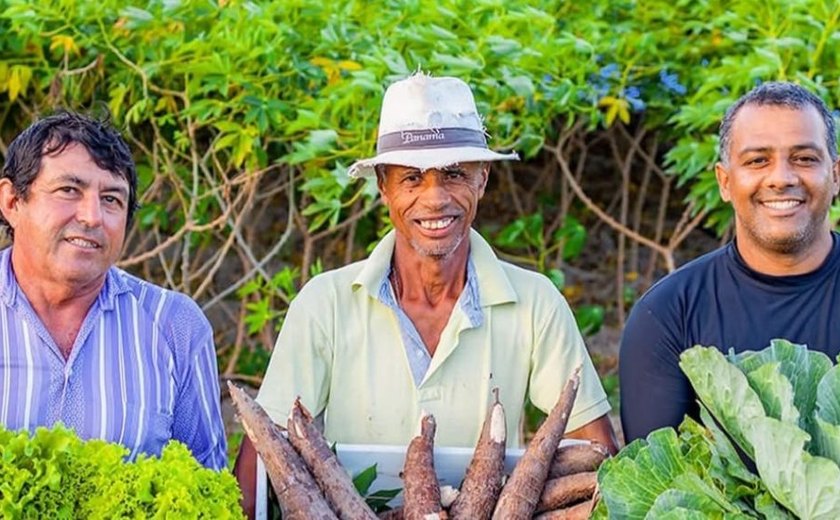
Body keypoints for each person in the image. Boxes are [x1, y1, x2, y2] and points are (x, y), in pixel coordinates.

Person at [235, 73, 617, 515]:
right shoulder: (325, 304)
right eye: (413, 178)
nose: (435, 199)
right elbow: (263, 461)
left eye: (454, 174)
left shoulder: (536, 304)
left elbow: (598, 458)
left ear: (482, 179)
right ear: (384, 186)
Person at [0, 111, 227, 470]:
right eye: (69, 190)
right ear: (12, 202)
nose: (92, 217)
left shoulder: (175, 328)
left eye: (111, 200)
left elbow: (206, 489)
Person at [619, 81, 840, 443]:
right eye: (757, 161)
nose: (781, 178)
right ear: (724, 181)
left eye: (804, 158)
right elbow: (656, 477)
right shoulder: (669, 315)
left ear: (835, 175)